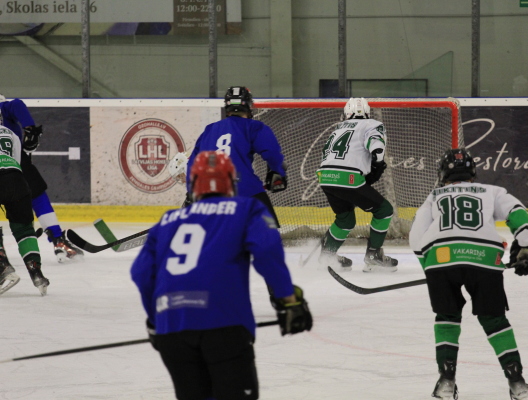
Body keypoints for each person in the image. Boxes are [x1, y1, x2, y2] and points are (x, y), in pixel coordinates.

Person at [131, 151, 312, 400]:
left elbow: (141, 273)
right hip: (224, 325)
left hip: (172, 330)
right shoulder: (247, 208)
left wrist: (156, 321)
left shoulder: (168, 220)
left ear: (193, 183)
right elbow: (267, 250)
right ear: (231, 182)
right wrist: (288, 301)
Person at [409, 148, 528, 400]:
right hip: (484, 257)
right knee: (494, 320)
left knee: (447, 317)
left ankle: (446, 382)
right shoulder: (492, 191)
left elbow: (416, 238)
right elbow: (519, 213)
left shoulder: (434, 196)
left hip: (440, 257)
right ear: (473, 173)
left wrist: (430, 268)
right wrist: (524, 244)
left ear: (443, 174)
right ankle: (517, 382)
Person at [185, 86, 287, 226]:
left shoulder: (209, 130)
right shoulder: (254, 127)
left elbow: (192, 165)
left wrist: (192, 191)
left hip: (208, 193)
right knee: (269, 232)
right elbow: (272, 153)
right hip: (243, 188)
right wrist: (278, 172)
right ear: (249, 105)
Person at [316, 97, 398, 272]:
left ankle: (327, 256)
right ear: (367, 112)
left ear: (347, 113)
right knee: (384, 211)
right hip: (348, 178)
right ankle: (373, 256)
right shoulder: (372, 124)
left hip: (325, 177)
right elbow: (377, 148)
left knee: (345, 219)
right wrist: (377, 164)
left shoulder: (338, 128)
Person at [0, 94, 83, 262]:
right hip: (13, 161)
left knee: (35, 194)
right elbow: (16, 105)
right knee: (36, 195)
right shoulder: (4, 107)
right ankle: (58, 240)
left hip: (14, 162)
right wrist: (30, 129)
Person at [0, 124, 49, 296]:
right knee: (24, 230)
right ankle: (36, 272)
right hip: (17, 181)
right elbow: (18, 161)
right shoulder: (10, 133)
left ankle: (3, 267)